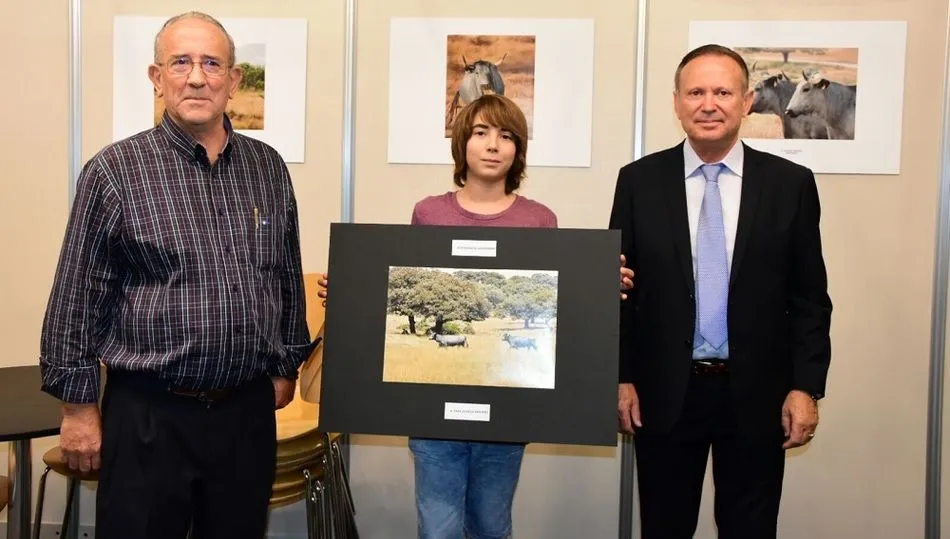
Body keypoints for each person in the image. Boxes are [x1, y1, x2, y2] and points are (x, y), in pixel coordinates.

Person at [38, 11, 311, 539]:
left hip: (244, 414)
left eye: (212, 63)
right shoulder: (114, 172)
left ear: (234, 81)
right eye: (180, 62)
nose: (196, 76)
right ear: (156, 77)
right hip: (148, 415)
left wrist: (285, 365)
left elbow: (282, 273)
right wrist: (77, 408)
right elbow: (76, 296)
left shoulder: (268, 168)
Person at [317, 93, 632, 538]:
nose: (492, 145)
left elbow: (558, 308)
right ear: (462, 141)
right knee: (439, 529)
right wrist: (351, 292)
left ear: (518, 149)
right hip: (432, 421)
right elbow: (399, 284)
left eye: (506, 136)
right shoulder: (429, 213)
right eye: (481, 133)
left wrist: (599, 287)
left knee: (491, 526)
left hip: (509, 418)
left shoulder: (540, 221)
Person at [610, 44, 833, 539]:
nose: (708, 103)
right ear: (676, 103)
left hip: (757, 394)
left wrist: (805, 386)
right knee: (664, 529)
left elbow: (809, 298)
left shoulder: (790, 184)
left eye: (722, 92)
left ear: (747, 100)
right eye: (695, 92)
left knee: (749, 529)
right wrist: (621, 377)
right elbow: (619, 292)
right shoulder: (639, 181)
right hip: (664, 394)